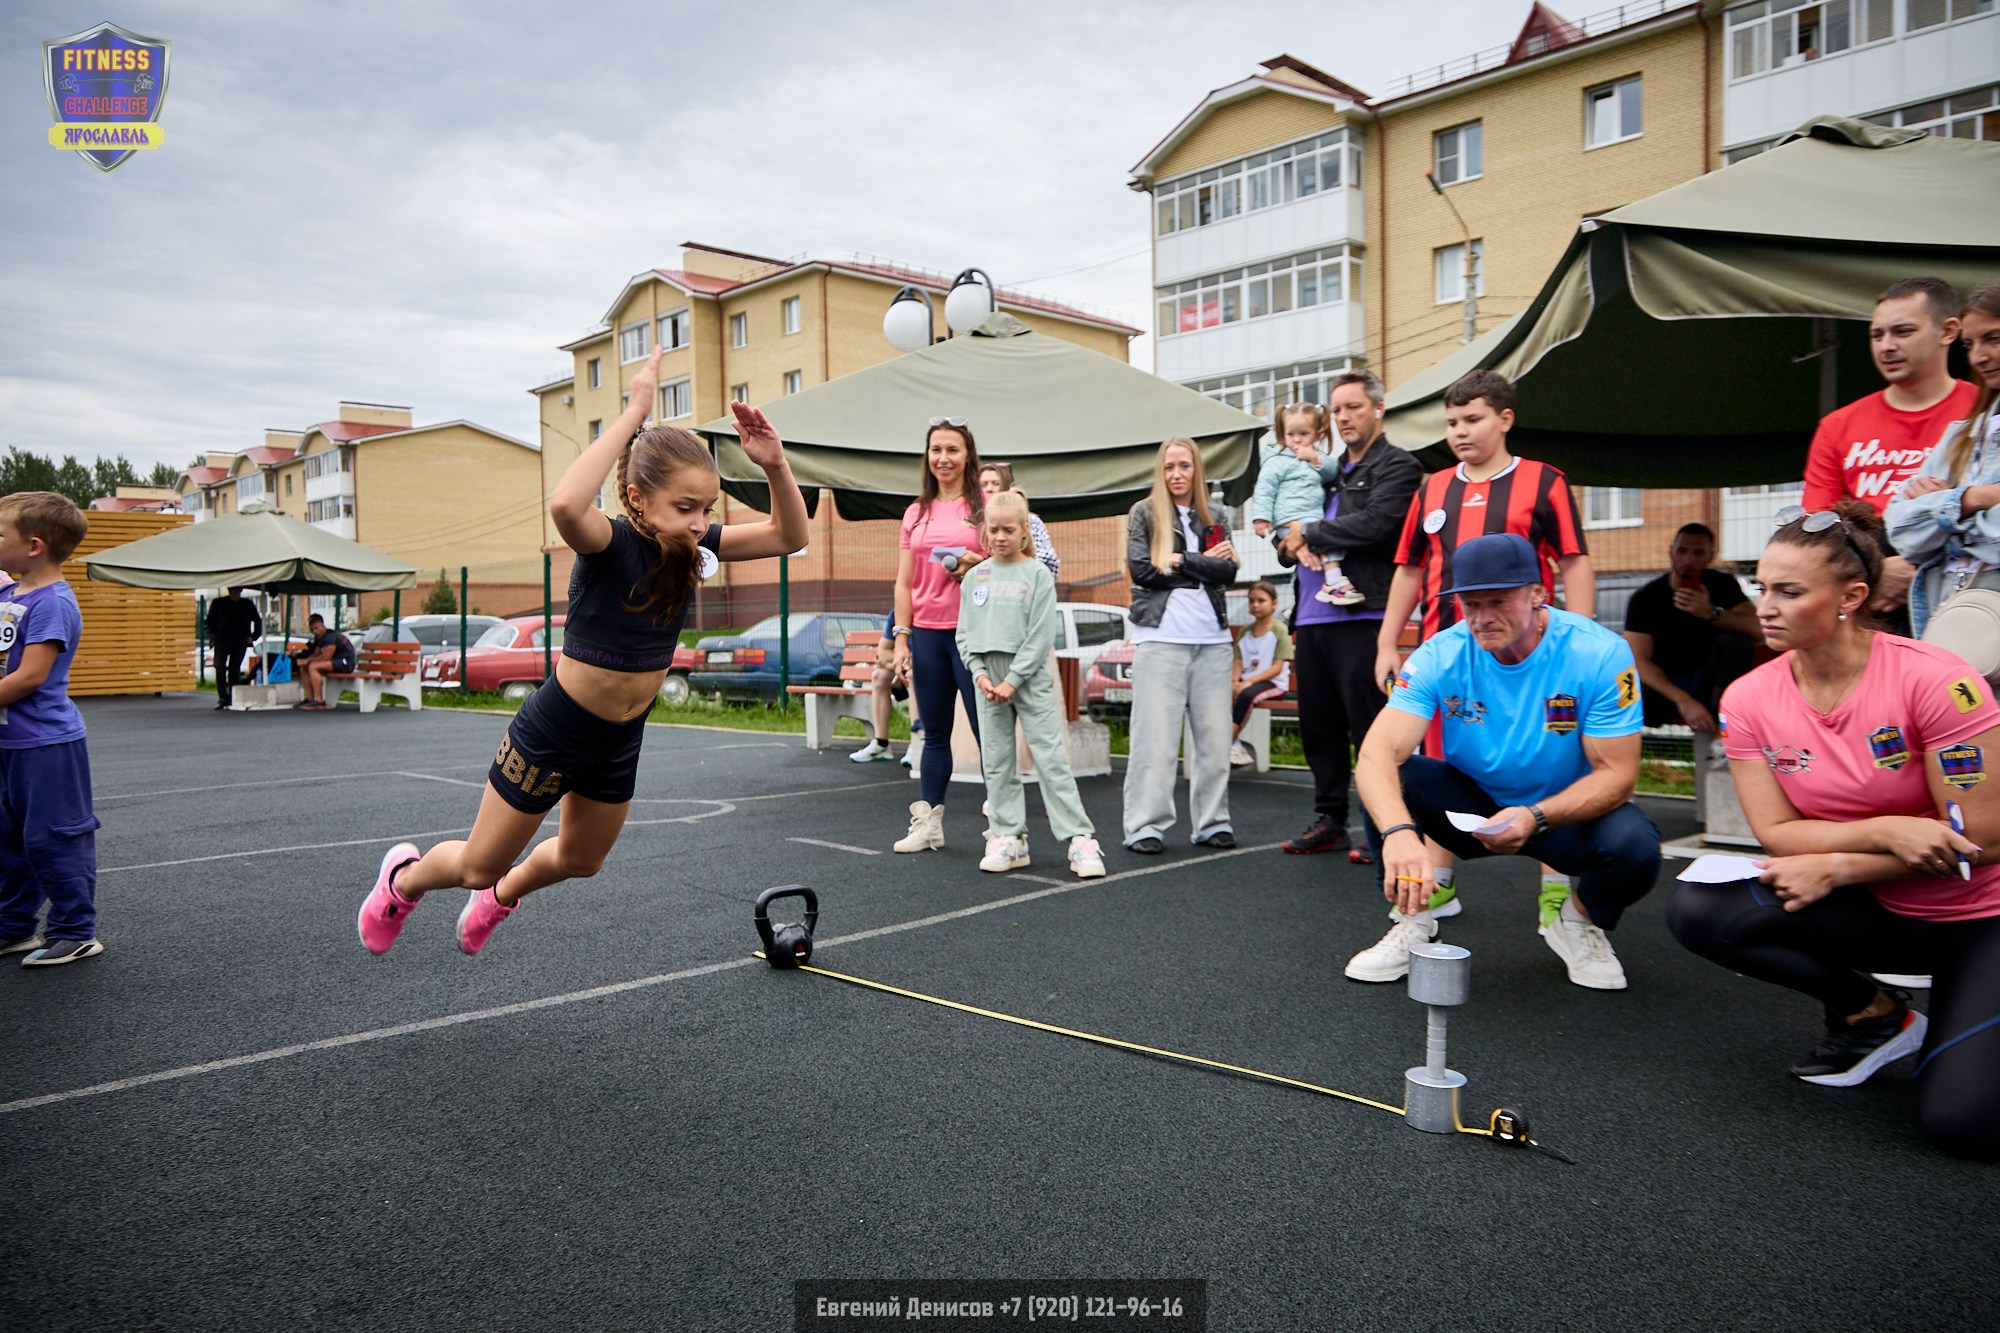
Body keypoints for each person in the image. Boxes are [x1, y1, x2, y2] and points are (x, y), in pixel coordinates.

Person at [356, 346, 808, 957]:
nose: (701, 522)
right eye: (685, 508)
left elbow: (789, 535)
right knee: (476, 863)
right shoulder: (609, 543)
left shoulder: (698, 547)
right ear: (637, 497)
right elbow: (567, 504)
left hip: (620, 738)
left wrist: (776, 466)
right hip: (557, 727)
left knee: (580, 859)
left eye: (707, 508)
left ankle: (500, 898)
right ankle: (401, 881)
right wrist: (632, 417)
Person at [1666, 502, 2000, 1157]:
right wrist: (1887, 831)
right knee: (1699, 907)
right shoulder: (1749, 697)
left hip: (1979, 920)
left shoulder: (1937, 680)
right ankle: (1875, 1014)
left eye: (1789, 591)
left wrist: (1847, 864)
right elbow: (1777, 832)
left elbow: (1984, 837)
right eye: (1762, 587)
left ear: (1852, 596)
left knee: (1964, 1124)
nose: (1765, 605)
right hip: (1883, 912)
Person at [1349, 533, 1658, 990]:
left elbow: (1619, 776)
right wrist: (1398, 833)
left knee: (1636, 846)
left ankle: (1576, 922)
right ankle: (1414, 920)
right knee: (1394, 779)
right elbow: (1377, 752)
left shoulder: (1600, 653)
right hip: (1471, 807)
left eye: (1498, 601)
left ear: (1538, 593)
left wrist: (1535, 816)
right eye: (1471, 605)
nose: (1483, 618)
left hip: (1560, 814)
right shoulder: (1440, 653)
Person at [1372, 370, 1593, 924]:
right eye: (1451, 422)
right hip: (1448, 662)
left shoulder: (1544, 481)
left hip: (1529, 659)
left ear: (1505, 419)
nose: (1459, 432)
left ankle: (1558, 899)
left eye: (1472, 419)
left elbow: (1573, 560)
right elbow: (1408, 569)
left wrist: (1580, 641)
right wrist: (1387, 643)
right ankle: (1437, 887)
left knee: (1556, 764)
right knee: (1440, 766)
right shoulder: (1433, 487)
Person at [1276, 371, 1423, 856]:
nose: (1343, 417)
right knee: (1319, 727)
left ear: (1378, 409)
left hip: (1364, 616)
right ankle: (1329, 817)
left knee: (1371, 727)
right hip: (1312, 618)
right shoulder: (1323, 469)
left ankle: (1387, 826)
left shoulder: (1397, 466)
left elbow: (1379, 525)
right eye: (1337, 410)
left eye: (1353, 407)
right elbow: (1287, 536)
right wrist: (1289, 539)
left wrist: (1310, 532)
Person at [1804, 277, 1978, 634]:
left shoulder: (1984, 413)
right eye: (1877, 335)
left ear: (1948, 331)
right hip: (1871, 596)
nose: (1886, 346)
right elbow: (1817, 530)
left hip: (1965, 589)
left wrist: (1919, 565)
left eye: (1903, 332)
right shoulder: (1837, 425)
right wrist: (1877, 573)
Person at [957, 490, 1105, 878]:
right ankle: (1008, 837)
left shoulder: (1038, 574)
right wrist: (980, 673)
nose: (1001, 537)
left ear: (1026, 531)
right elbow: (964, 633)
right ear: (984, 533)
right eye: (993, 530)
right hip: (987, 678)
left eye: (1009, 529)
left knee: (1050, 757)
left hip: (1029, 676)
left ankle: (1080, 840)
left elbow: (1040, 636)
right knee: (998, 760)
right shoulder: (974, 575)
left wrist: (1013, 680)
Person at [0, 491, 105, 966]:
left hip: (45, 744)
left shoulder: (53, 603)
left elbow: (29, 677)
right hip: (7, 742)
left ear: (34, 546)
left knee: (53, 837)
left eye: (0, 534)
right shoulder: (9, 594)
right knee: (8, 838)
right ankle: (14, 928)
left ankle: (74, 930)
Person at [1122, 437, 1239, 854]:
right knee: (1155, 740)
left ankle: (1213, 823)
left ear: (1196, 471)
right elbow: (1141, 569)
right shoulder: (1144, 513)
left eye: (1184, 466)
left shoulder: (1218, 514)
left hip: (1213, 640)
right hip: (1161, 638)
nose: (1176, 474)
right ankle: (1145, 826)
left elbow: (1227, 572)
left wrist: (1180, 560)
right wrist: (1203, 565)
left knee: (1214, 739)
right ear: (1161, 470)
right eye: (1169, 466)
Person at [890, 417, 989, 851]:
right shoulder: (916, 512)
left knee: (991, 734)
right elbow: (903, 582)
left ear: (967, 455)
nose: (944, 458)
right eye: (936, 450)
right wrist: (901, 638)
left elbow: (1008, 562)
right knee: (934, 733)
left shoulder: (985, 505)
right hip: (927, 635)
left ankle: (1004, 827)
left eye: (952, 449)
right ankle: (928, 824)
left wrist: (975, 563)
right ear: (927, 457)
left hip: (974, 634)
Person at [1886, 283, 2000, 638]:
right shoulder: (1960, 434)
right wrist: (1971, 499)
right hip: (1952, 625)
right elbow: (1902, 530)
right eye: (1970, 344)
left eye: (1993, 338)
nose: (1978, 356)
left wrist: (1938, 515)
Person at [1622, 523, 1760, 732]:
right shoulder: (1646, 598)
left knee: (1737, 642)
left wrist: (1711, 612)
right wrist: (1684, 701)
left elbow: (1758, 629)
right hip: (1666, 687)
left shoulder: (1723, 585)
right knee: (1625, 684)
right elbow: (1636, 659)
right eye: (1682, 551)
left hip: (1712, 684)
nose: (1688, 560)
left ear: (1710, 556)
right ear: (1671, 552)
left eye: (1698, 553)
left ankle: (1723, 726)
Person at [1252, 404, 1362, 605]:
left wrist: (1315, 458)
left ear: (1317, 435)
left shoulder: (1314, 458)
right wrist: (1261, 518)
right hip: (1289, 517)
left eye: (1303, 433)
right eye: (1290, 434)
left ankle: (1298, 600)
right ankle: (1334, 581)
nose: (1297, 439)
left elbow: (1333, 472)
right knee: (1326, 538)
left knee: (1313, 553)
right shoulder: (1276, 461)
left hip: (1309, 515)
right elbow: (1264, 489)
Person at [1228, 580, 1291, 767]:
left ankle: (1224, 743)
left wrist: (1249, 682)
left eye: (1261, 600)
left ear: (1274, 603)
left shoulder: (1280, 631)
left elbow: (1277, 667)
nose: (1255, 605)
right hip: (1246, 682)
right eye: (1251, 601)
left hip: (1273, 684)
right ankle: (1235, 746)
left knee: (1247, 695)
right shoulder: (1244, 632)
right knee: (1223, 695)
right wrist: (1234, 681)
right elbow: (1238, 661)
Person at [977, 462, 1058, 580]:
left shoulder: (1031, 520)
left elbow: (1047, 560)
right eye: (984, 484)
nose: (989, 489)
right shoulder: (970, 522)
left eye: (995, 483)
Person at [848, 621, 908, 763]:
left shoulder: (924, 610)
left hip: (922, 670)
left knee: (913, 675)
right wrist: (894, 665)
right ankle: (881, 744)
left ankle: (918, 743)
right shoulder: (895, 615)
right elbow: (882, 652)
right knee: (878, 676)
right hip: (902, 668)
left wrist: (889, 663)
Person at [205, 586, 263, 710]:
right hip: (222, 641)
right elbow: (209, 622)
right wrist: (214, 637)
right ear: (229, 591)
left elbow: (258, 621)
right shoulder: (219, 603)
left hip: (240, 641)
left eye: (238, 591)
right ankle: (222, 696)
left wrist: (253, 637)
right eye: (234, 591)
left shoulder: (246, 604)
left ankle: (232, 696)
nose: (236, 594)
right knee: (219, 667)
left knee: (234, 669)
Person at [292, 613, 355, 711]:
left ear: (322, 624)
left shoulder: (330, 637)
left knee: (313, 666)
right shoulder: (320, 638)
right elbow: (316, 654)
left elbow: (326, 657)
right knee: (304, 667)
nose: (315, 631)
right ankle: (310, 698)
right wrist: (305, 661)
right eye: (313, 630)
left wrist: (307, 660)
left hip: (345, 663)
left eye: (317, 628)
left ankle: (319, 701)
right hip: (335, 662)